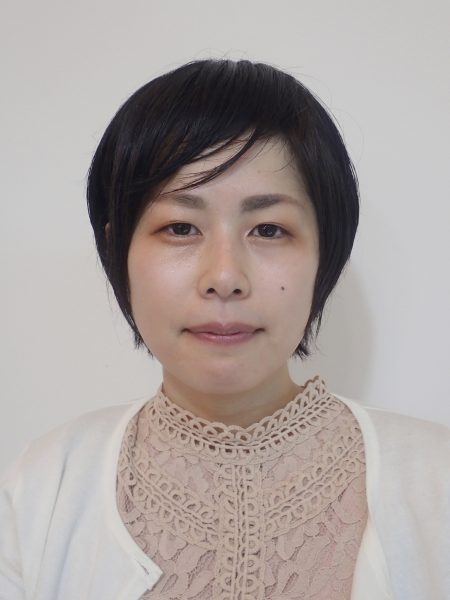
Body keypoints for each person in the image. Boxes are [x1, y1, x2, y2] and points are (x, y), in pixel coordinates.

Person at [0, 59, 448, 600]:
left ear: (324, 254)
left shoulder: (436, 480)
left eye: (269, 229)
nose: (225, 277)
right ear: (120, 252)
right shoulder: (42, 488)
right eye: (180, 227)